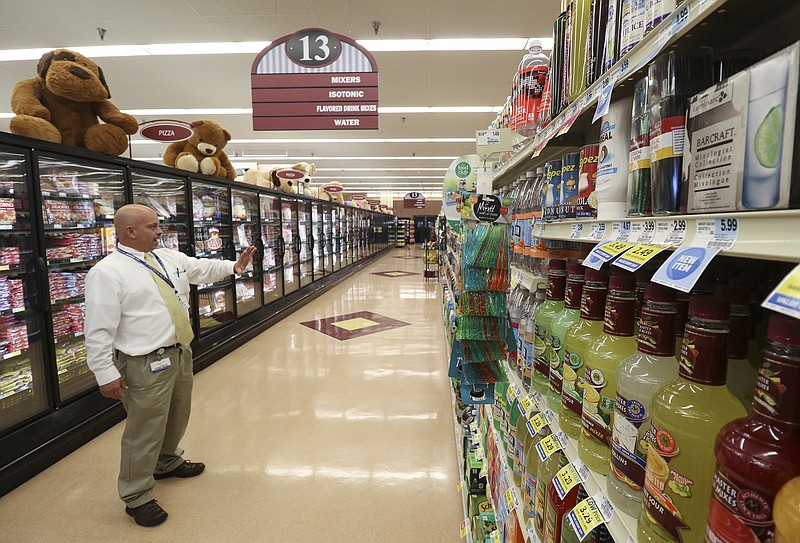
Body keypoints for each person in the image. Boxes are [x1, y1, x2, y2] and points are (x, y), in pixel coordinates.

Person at [84, 204, 256, 527]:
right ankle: (136, 495)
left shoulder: (168, 257)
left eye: (158, 225)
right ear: (129, 232)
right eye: (151, 226)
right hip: (143, 361)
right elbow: (97, 329)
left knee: (178, 413)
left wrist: (235, 266)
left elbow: (199, 269)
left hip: (179, 352)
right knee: (144, 427)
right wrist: (104, 373)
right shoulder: (107, 273)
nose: (159, 231)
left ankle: (166, 461)